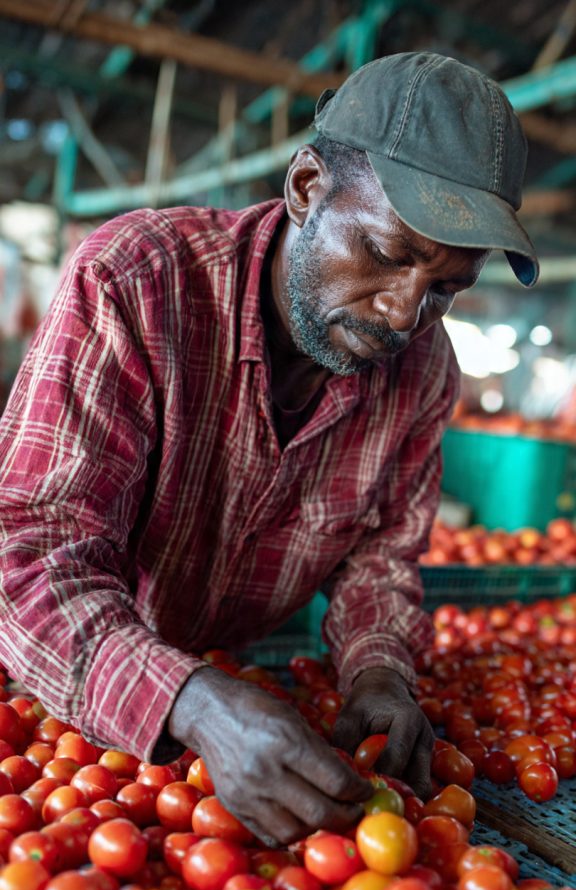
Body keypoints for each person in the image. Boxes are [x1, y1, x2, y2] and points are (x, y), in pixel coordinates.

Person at [0, 52, 538, 846]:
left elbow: (379, 562)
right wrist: (191, 702)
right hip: (57, 687)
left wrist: (380, 670)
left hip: (232, 701)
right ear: (306, 188)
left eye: (447, 288)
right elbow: (28, 555)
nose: (402, 313)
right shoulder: (137, 284)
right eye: (388, 256)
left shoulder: (422, 373)